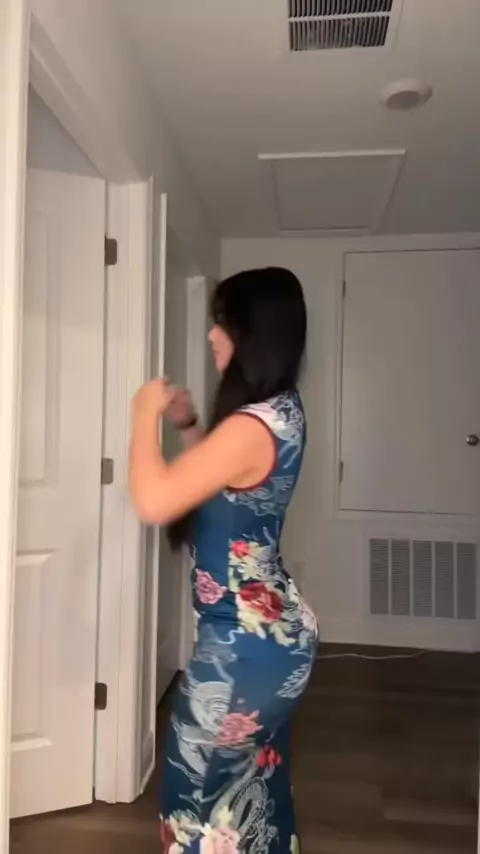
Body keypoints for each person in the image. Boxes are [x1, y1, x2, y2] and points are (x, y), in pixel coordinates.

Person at [129, 267, 319, 854]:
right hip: (273, 638)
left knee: (191, 805)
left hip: (244, 651)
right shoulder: (280, 412)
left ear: (252, 331)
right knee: (253, 794)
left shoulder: (249, 425)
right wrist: (188, 426)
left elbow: (155, 500)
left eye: (222, 322)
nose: (212, 335)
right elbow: (226, 489)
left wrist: (141, 414)